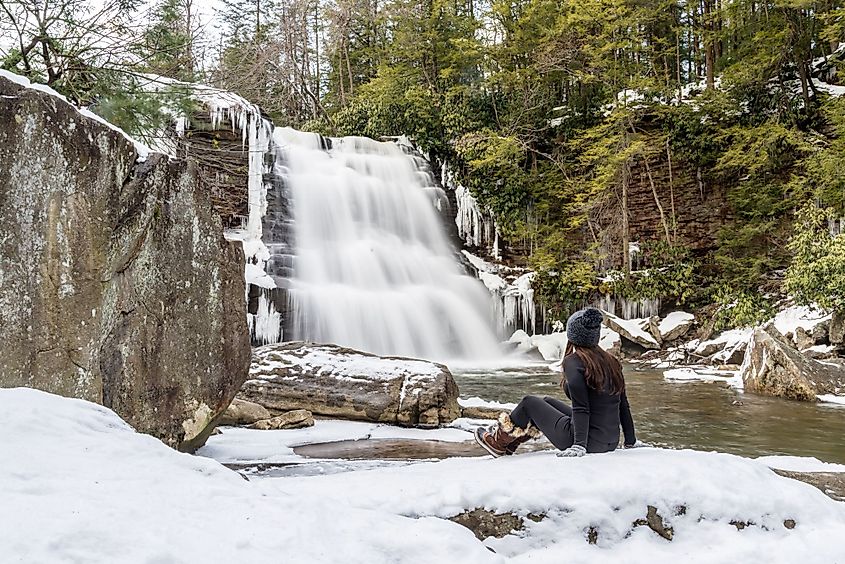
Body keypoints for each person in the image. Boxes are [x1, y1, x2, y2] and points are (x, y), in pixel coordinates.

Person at [474, 307, 640, 457]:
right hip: (609, 441)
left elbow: (582, 407)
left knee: (529, 402)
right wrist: (630, 440)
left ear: (573, 335)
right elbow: (623, 405)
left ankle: (498, 443)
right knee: (546, 401)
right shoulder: (611, 361)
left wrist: (579, 446)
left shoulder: (574, 362)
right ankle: (511, 443)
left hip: (587, 442)